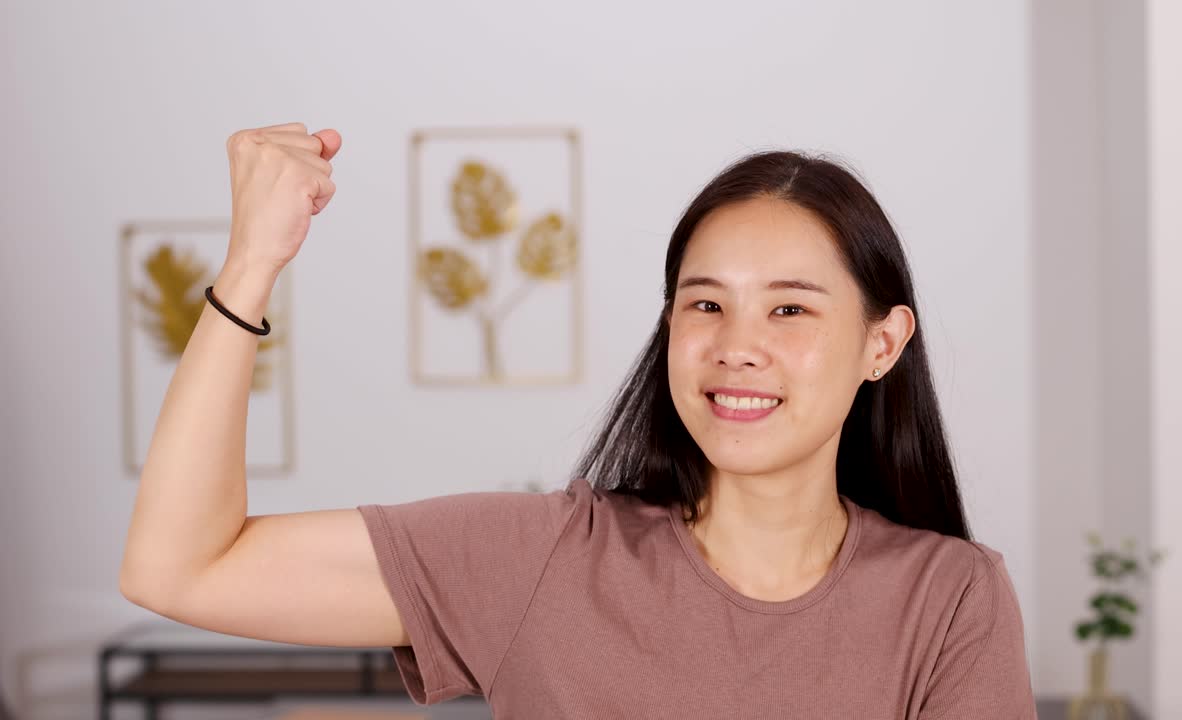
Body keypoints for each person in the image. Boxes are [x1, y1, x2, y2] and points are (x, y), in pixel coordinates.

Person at [119, 123, 1037, 719]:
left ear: (883, 344)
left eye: (790, 310)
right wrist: (250, 266)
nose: (737, 346)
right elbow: (181, 567)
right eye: (704, 305)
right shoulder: (542, 561)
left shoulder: (950, 601)